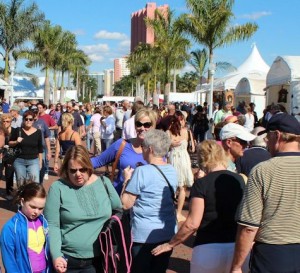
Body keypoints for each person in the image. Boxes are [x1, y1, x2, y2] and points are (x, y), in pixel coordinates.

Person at [152, 140, 248, 273]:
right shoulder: (238, 179)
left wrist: (170, 244)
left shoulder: (202, 184)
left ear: (203, 158)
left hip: (209, 248)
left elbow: (192, 223)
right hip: (236, 246)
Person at [230, 113, 300, 273]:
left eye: (268, 136)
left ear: (277, 135)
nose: (266, 142)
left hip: (274, 254)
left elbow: (249, 226)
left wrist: (236, 266)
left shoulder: (263, 170)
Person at [44, 145, 122, 273]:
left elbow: (119, 211)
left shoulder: (104, 183)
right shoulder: (57, 188)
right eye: (73, 170)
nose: (78, 174)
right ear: (66, 170)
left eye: (82, 169)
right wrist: (56, 255)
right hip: (68, 260)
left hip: (100, 259)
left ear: (89, 167)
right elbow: (52, 225)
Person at [121, 129, 177, 273]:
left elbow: (126, 203)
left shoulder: (142, 171)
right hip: (167, 232)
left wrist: (126, 180)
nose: (142, 150)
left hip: (143, 235)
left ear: (150, 149)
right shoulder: (172, 170)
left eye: (144, 147)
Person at [91, 109, 157, 194]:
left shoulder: (158, 149)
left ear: (153, 126)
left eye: (147, 125)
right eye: (139, 124)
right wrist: (77, 164)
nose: (142, 128)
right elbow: (98, 160)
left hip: (146, 202)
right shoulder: (122, 144)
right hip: (121, 197)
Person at [0, 181, 51, 273]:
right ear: (22, 202)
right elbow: (9, 260)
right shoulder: (11, 228)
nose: (36, 212)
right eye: (33, 207)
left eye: (40, 208)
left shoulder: (44, 222)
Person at [167, 112, 193, 222]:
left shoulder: (168, 132)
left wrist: (172, 144)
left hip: (172, 158)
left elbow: (166, 148)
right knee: (182, 188)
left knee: (171, 187)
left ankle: (170, 211)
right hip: (184, 159)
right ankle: (178, 213)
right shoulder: (186, 132)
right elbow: (192, 149)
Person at [9, 111, 43, 184]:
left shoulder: (38, 132)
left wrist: (40, 162)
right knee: (21, 184)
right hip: (19, 161)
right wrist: (16, 142)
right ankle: (21, 195)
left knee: (34, 184)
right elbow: (9, 143)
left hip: (33, 161)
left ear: (33, 120)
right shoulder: (17, 130)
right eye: (26, 119)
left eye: (30, 119)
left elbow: (40, 149)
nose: (28, 121)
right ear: (23, 120)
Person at [1, 114, 15, 200]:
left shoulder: (15, 131)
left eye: (7, 121)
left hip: (11, 155)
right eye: (4, 121)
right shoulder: (0, 131)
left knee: (9, 174)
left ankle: (9, 192)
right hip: (1, 154)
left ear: (11, 122)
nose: (5, 123)